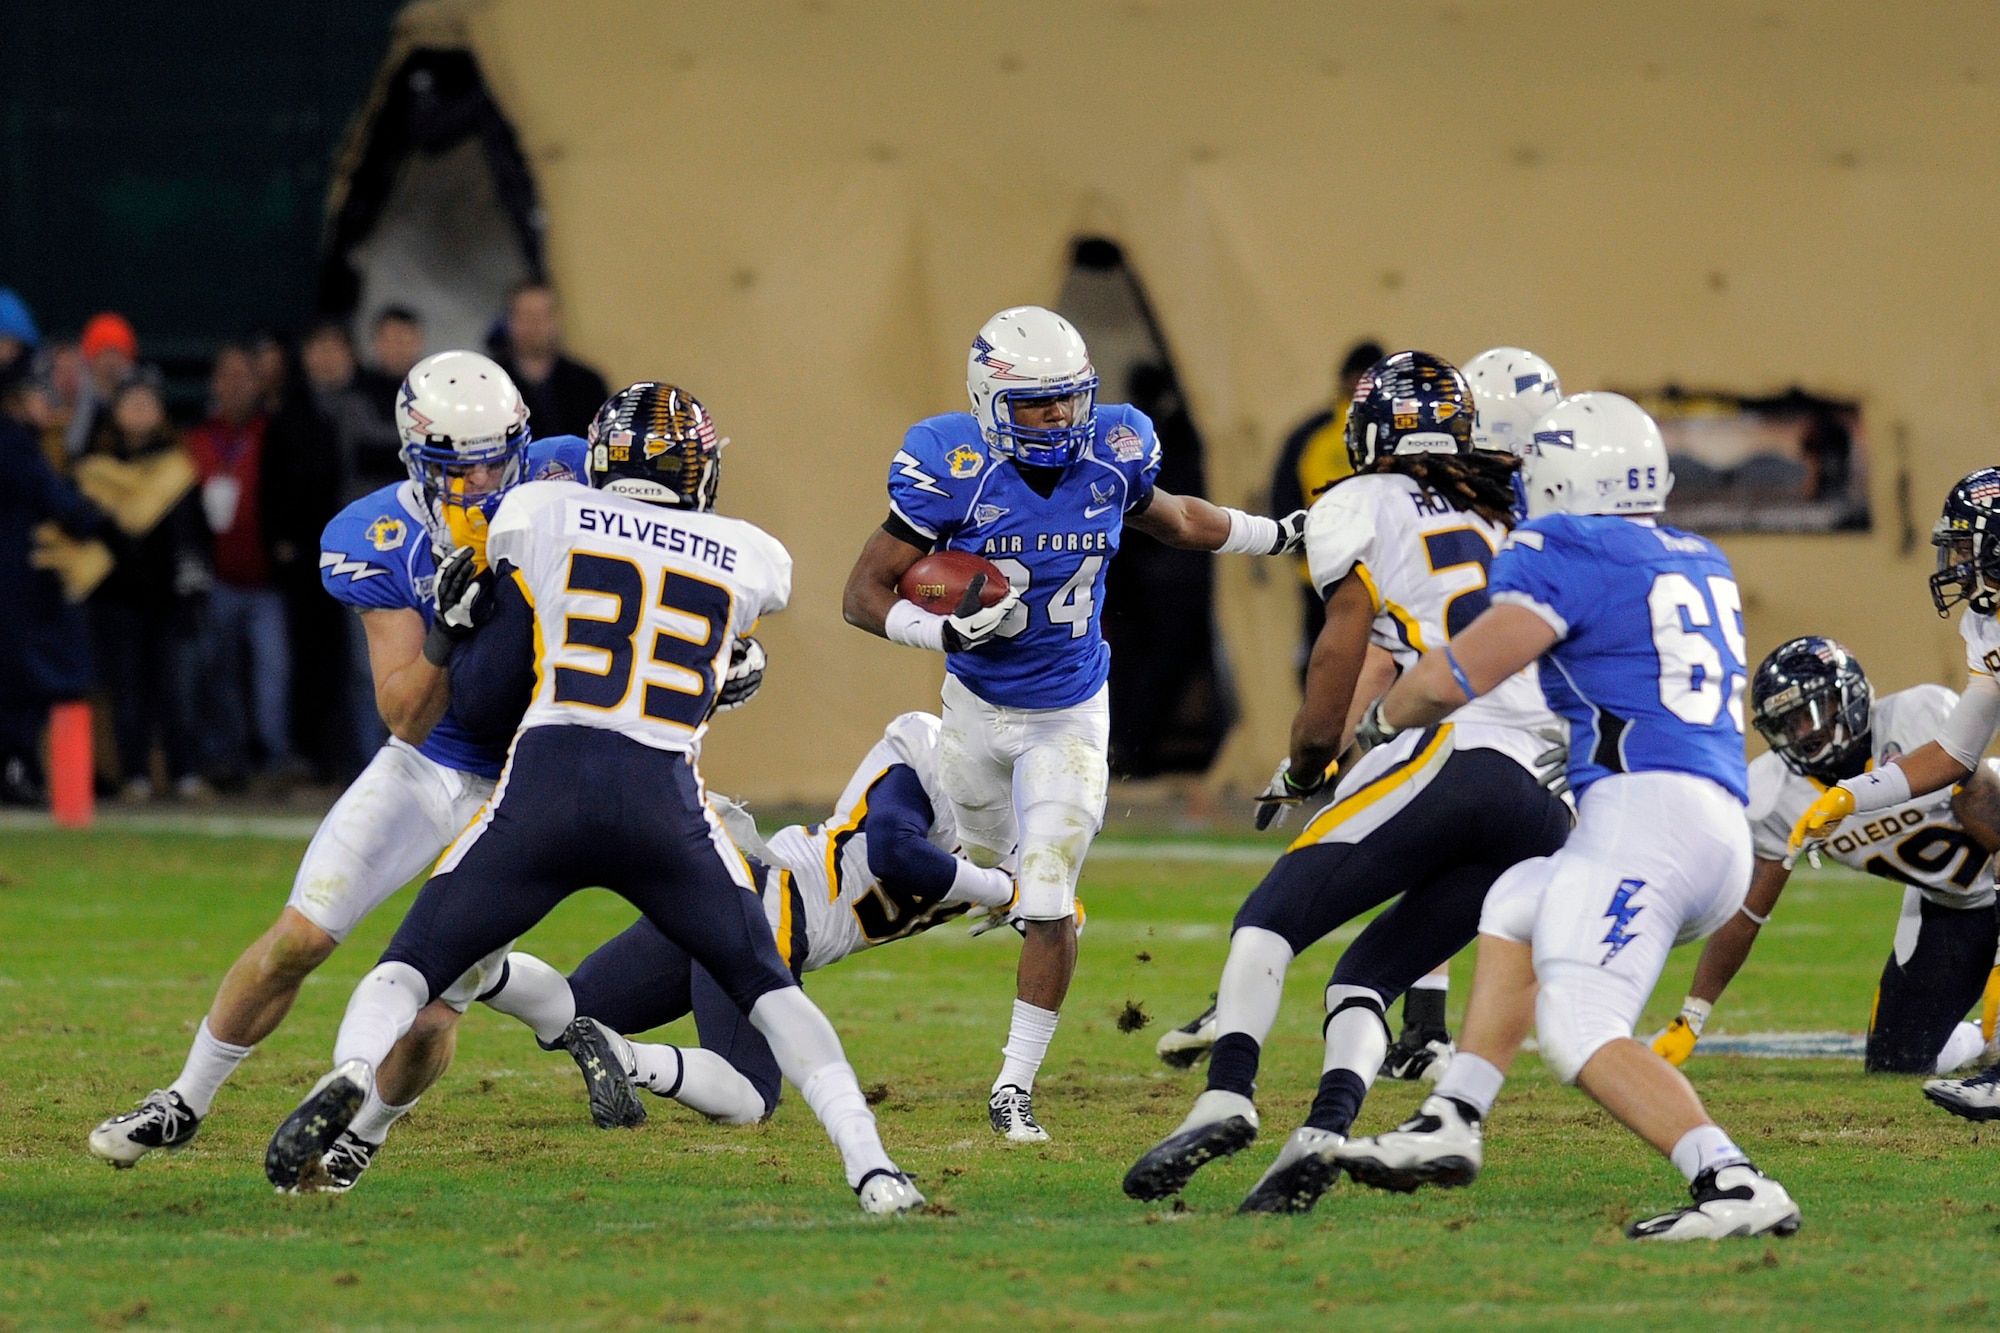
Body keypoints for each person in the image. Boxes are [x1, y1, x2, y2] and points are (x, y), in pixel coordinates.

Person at [265, 381, 925, 1217]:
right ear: (702, 472)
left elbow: (512, 623)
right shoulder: (753, 553)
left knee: (406, 966)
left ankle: (353, 1073)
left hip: (546, 782)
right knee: (770, 988)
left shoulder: (539, 510)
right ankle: (873, 1167)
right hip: (661, 800)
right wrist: (723, 664)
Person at [85, 350, 581, 1168]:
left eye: (501, 458)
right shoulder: (377, 535)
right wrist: (447, 631)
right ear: (418, 463)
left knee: (431, 1007)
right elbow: (405, 715)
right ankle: (183, 1099)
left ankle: (363, 1137)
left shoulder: (568, 474)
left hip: (529, 784)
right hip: (429, 766)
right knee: (299, 938)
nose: (490, 481)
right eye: (466, 468)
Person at [1334, 391, 1800, 1241]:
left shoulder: (1562, 541)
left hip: (1644, 819)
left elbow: (1455, 674)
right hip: (1713, 826)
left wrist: (1376, 720)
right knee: (1515, 896)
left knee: (1579, 1026)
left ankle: (1732, 1181)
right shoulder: (1700, 555)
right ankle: (1453, 1115)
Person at [841, 306, 1307, 1142]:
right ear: (989, 401)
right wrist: (941, 629)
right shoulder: (952, 466)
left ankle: (1013, 1086)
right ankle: (989, 844)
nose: (1058, 419)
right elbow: (863, 593)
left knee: (1047, 892)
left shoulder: (1114, 450)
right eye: (1037, 405)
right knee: (990, 865)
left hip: (1069, 714)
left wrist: (1281, 536)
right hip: (974, 710)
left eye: (1068, 400)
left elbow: (1179, 521)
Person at [1121, 351, 1571, 1214]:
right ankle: (1322, 1132)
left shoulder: (1358, 500)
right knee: (1365, 976)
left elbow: (1341, 642)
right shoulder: (1502, 519)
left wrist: (1306, 759)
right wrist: (1139, 504)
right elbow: (1226, 529)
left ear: (1372, 430)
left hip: (1460, 752)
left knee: (1267, 922)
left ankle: (1228, 1096)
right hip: (1544, 803)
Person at [359, 711, 1028, 1187]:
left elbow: (1051, 914)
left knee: (575, 1005)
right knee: (750, 1099)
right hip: (766, 910)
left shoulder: (1029, 847)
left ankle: (456, 965)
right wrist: (1002, 887)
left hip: (734, 891)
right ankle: (627, 1058)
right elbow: (895, 849)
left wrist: (1038, 902)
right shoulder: (930, 752)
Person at [1652, 638, 2000, 1077]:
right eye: (1788, 724)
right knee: (1896, 1065)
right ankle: (1982, 1039)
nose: (1805, 734)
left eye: (1811, 713)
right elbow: (1746, 915)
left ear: (1850, 695)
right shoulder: (1775, 795)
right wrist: (1693, 1014)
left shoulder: (1918, 718)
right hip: (1951, 904)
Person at [1804, 469, 2000, 1118]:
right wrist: (1853, 796)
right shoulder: (1988, 622)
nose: (1955, 563)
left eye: (1966, 548)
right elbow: (1954, 751)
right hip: (1951, 897)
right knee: (1893, 1056)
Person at [83, 370, 214, 802]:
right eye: (130, 402)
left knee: (179, 691)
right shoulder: (94, 471)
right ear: (114, 413)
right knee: (129, 693)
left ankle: (186, 774)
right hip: (119, 600)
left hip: (171, 600)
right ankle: (135, 776)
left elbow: (196, 535)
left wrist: (193, 585)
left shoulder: (179, 468)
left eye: (148, 402)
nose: (140, 410)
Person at [183, 344, 296, 785]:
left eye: (244, 376)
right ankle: (228, 760)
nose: (235, 385)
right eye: (226, 376)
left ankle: (275, 760)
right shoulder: (196, 439)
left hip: (266, 581)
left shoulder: (276, 434)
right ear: (214, 383)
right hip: (217, 579)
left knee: (274, 674)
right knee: (218, 674)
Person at [0, 358, 102, 805]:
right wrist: (96, 519)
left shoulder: (29, 442)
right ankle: (18, 770)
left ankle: (23, 769)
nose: (51, 407)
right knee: (24, 682)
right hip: (15, 584)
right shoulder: (13, 443)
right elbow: (56, 499)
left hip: (21, 582)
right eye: (42, 397)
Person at [1270, 340, 1384, 678]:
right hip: (1320, 580)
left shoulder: (1394, 433)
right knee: (1322, 668)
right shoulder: (1313, 434)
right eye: (1359, 376)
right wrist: (1305, 551)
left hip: (1382, 578)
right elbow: (1284, 496)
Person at [494, 281, 610, 440]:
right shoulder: (492, 386)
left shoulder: (588, 384)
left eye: (543, 316)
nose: (534, 325)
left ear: (557, 319)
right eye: (525, 315)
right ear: (509, 321)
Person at [66, 312, 138, 457]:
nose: (112, 362)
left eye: (118, 354)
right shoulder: (77, 389)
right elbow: (73, 446)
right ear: (91, 357)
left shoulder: (139, 388)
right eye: (105, 354)